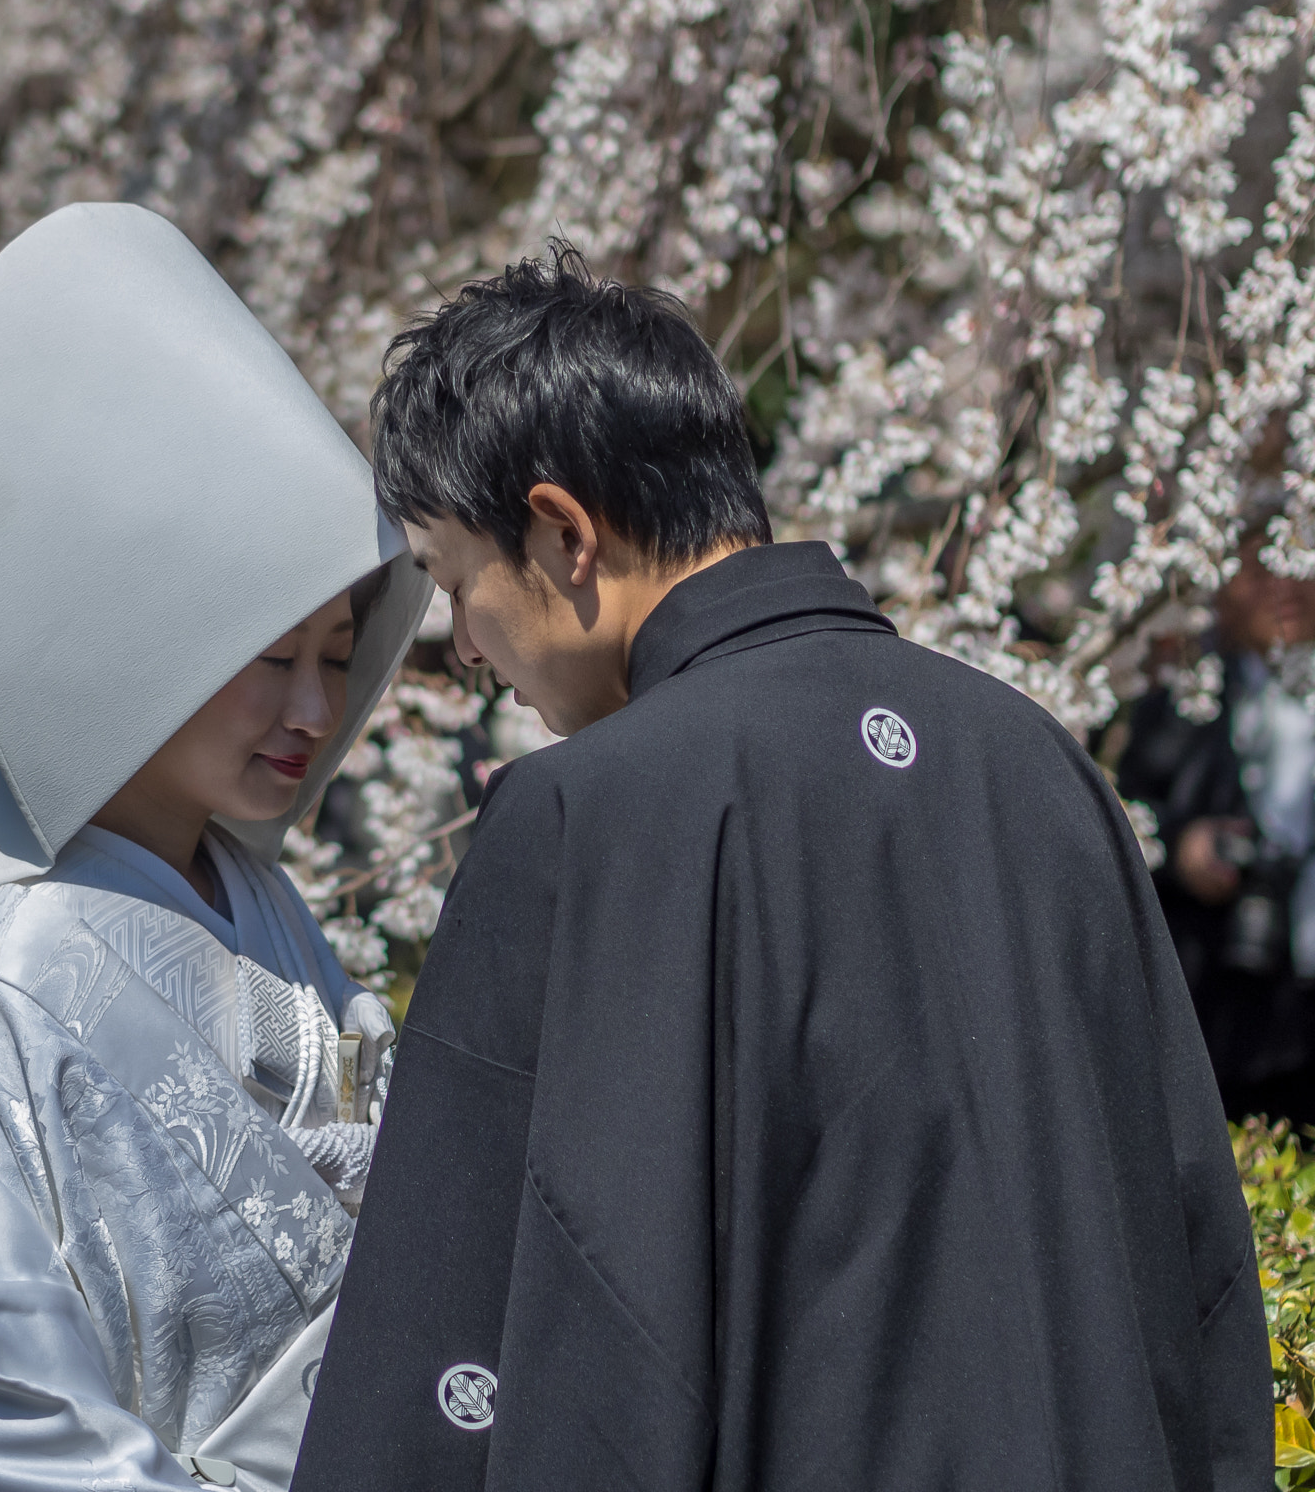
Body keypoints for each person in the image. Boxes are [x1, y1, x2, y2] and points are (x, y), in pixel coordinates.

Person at [293, 246, 1269, 1492]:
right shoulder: (1037, 763)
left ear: (559, 532)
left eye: (452, 584)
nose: (470, 650)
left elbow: (526, 1314)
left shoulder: (582, 818)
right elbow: (1194, 1251)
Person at [0, 202, 431, 1492]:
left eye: (337, 656)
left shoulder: (260, 908)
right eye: (271, 656)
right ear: (128, 634)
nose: (314, 712)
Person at [1120, 526, 1315, 1125]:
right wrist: (1185, 850)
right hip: (1228, 1004)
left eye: (1298, 564)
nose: (1283, 588)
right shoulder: (1182, 702)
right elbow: (1130, 823)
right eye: (1259, 572)